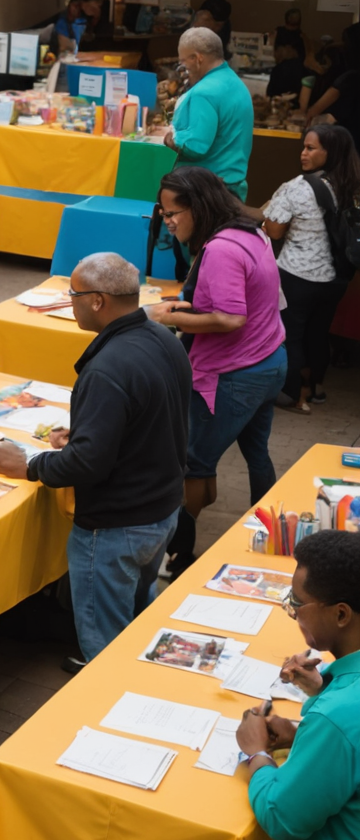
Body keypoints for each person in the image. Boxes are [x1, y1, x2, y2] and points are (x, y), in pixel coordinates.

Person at [140, 530, 360, 840]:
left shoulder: (340, 716)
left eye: (297, 605)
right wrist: (315, 701)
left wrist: (255, 753)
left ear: (341, 614)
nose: (293, 614)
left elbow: (282, 819)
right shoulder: (342, 700)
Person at [0, 253, 188, 657]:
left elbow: (87, 465)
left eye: (73, 294)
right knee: (136, 615)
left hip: (116, 526)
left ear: (98, 301)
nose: (70, 301)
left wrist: (27, 465)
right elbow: (151, 420)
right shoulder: (164, 339)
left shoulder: (107, 368)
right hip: (162, 509)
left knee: (105, 646)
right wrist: (84, 435)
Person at [149, 167, 285, 575]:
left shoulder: (221, 249)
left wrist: (164, 319)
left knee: (193, 462)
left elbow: (229, 319)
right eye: (163, 212)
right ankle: (274, 537)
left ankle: (177, 554)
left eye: (173, 213)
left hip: (234, 373)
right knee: (255, 453)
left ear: (199, 206)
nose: (168, 221)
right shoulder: (250, 231)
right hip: (269, 361)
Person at [264, 124, 360, 411]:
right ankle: (316, 389)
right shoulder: (352, 186)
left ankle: (292, 394)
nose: (302, 153)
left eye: (310, 148)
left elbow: (275, 231)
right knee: (319, 333)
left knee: (290, 333)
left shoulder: (299, 187)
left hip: (298, 275)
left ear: (328, 153)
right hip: (337, 277)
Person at [167, 26, 255, 199]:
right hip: (231, 187)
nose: (183, 70)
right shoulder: (235, 83)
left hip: (205, 192)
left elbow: (195, 146)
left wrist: (169, 138)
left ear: (197, 59)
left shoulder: (203, 92)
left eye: (183, 63)